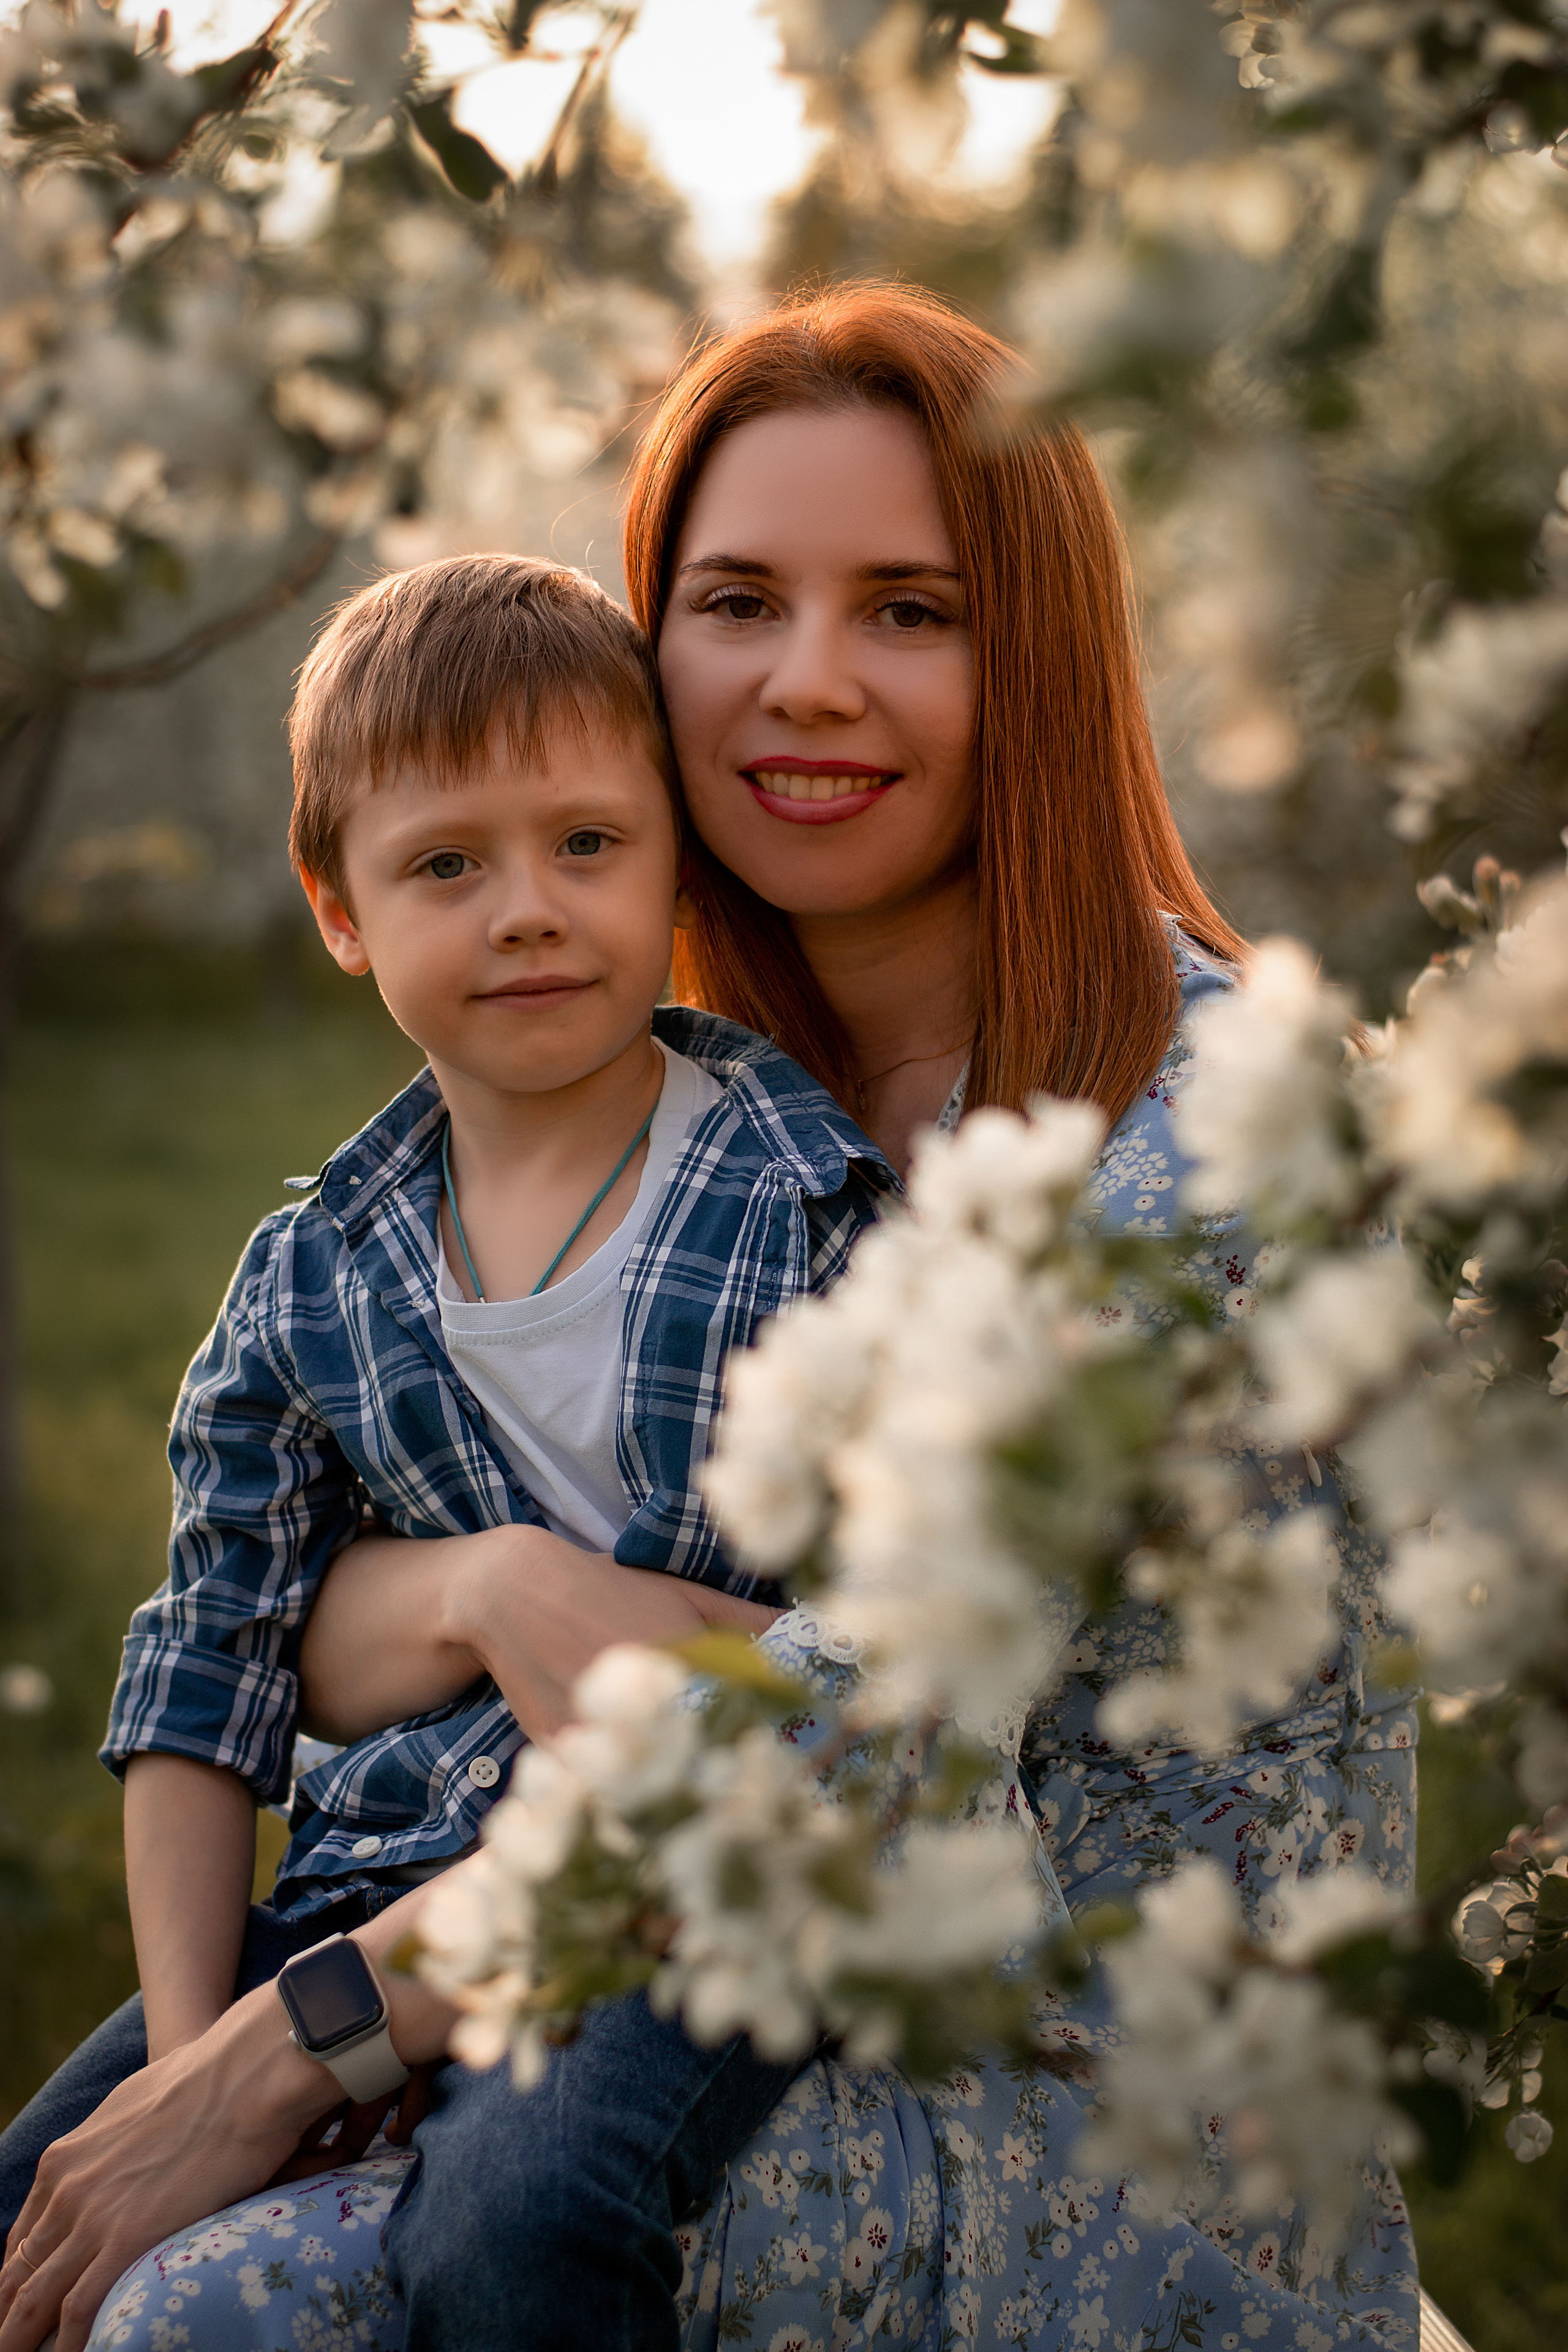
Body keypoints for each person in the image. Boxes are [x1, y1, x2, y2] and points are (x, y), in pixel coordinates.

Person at [1, 284, 1419, 2352]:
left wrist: (294, 2044)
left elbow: (852, 1738)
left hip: (1055, 2116)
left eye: (911, 612)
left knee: (201, 2303)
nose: (808, 684)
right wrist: (500, 1588)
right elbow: (281, 1625)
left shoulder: (1212, 1139)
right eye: (739, 600)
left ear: (1033, 655)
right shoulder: (671, 1101)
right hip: (625, 1955)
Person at [0, 548, 900, 2348]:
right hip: (372, 1881)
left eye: (587, 844)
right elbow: (207, 1673)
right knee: (32, 2207)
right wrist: (203, 2066)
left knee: (515, 2224)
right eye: (445, 866)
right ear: (337, 906)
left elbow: (867, 1659)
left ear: (673, 855)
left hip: (671, 1887)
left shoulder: (801, 1200)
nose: (527, 912)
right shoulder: (310, 1279)